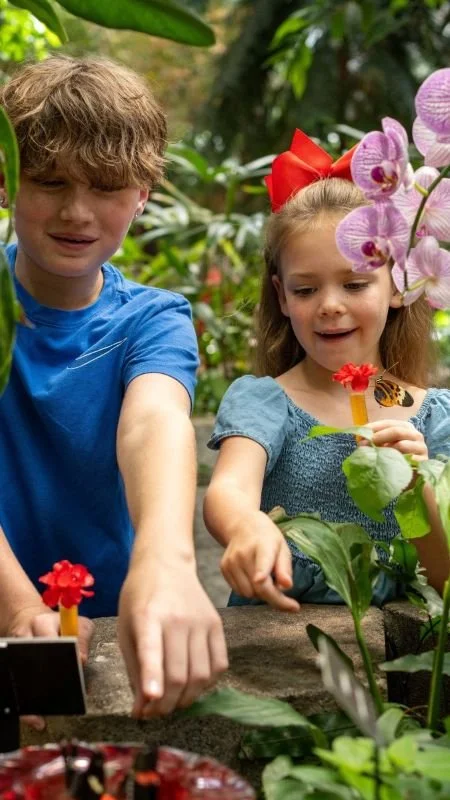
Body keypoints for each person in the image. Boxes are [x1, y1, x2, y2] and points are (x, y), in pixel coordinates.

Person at [0, 55, 228, 719]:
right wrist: (18, 605)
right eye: (50, 180)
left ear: (143, 193)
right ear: (8, 180)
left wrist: (168, 561)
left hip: (114, 630)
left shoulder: (153, 319)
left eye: (106, 186)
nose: (77, 210)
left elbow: (154, 421)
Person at [204, 133, 450, 610]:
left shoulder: (434, 420)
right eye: (305, 290)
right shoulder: (266, 402)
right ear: (281, 295)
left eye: (355, 284)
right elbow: (230, 487)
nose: (330, 306)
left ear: (399, 281)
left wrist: (419, 493)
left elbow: (443, 580)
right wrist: (246, 525)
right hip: (276, 656)